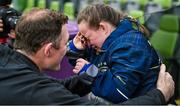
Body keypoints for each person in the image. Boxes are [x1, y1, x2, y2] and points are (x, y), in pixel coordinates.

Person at [0, 8, 174, 105]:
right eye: (65, 44)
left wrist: (89, 71)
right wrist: (160, 94)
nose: (69, 48)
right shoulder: (42, 94)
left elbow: (60, 84)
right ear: (48, 50)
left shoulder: (6, 58)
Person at [67, 4, 162, 103]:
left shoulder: (130, 46)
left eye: (87, 37)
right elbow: (83, 64)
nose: (87, 43)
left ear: (103, 28)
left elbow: (119, 92)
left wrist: (89, 71)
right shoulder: (102, 43)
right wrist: (77, 50)